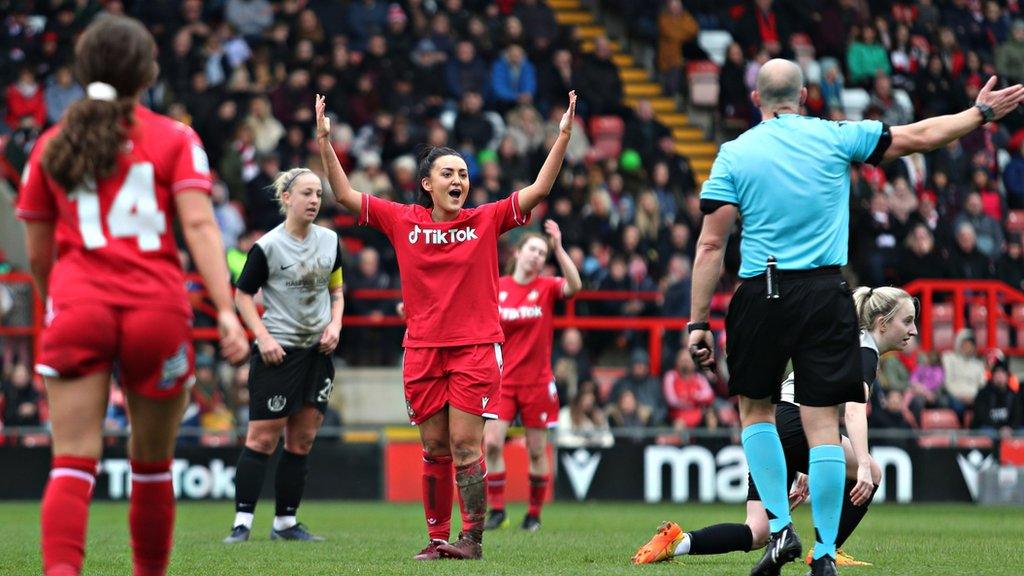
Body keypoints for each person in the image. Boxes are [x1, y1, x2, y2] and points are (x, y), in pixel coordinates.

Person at [683, 58, 1023, 576]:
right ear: (805, 97)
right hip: (825, 291)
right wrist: (978, 113)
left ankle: (779, 530)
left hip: (762, 290)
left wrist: (698, 321)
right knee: (823, 427)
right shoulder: (838, 135)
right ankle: (823, 555)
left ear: (756, 100)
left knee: (756, 412)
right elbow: (919, 136)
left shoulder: (734, 153)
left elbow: (711, 243)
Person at [15, 15, 248, 576]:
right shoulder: (175, 137)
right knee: (151, 466)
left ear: (85, 68)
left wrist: (59, 303)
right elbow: (199, 228)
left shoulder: (51, 143)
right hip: (156, 312)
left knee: (71, 463)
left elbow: (38, 254)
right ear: (147, 73)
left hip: (77, 308)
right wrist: (225, 310)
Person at [316, 90, 577, 560]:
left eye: (463, 174)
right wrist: (324, 142)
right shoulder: (403, 221)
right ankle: (438, 540)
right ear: (427, 185)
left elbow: (539, 190)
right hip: (421, 349)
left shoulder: (485, 220)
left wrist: (561, 138)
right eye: (448, 174)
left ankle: (472, 540)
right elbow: (345, 195)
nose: (459, 180)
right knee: (434, 447)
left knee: (463, 443)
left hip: (476, 347)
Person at [634, 287, 917, 569]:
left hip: (776, 423)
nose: (913, 330)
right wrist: (863, 465)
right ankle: (827, 552)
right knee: (874, 471)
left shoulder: (843, 339)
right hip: (796, 423)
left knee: (758, 531)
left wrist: (808, 461)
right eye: (907, 321)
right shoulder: (865, 349)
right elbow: (854, 411)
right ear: (882, 323)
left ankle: (678, 542)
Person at [223, 166, 345, 544]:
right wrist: (262, 337)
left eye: (318, 194)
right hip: (279, 352)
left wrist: (335, 326)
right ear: (286, 198)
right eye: (306, 193)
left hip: (318, 352)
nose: (314, 200)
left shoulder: (329, 240)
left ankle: (285, 524)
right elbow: (242, 296)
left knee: (302, 440)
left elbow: (337, 292)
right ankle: (241, 523)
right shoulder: (268, 246)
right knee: (261, 439)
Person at [482, 220, 581, 533]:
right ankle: (497, 511)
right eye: (533, 250)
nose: (538, 256)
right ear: (518, 252)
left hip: (538, 381)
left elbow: (575, 286)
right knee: (492, 444)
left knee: (537, 450)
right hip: (503, 380)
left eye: (542, 252)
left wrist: (560, 248)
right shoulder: (498, 286)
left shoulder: (548, 287)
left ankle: (534, 514)